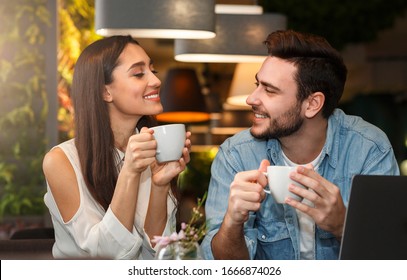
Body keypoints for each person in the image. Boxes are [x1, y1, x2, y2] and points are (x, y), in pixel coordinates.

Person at [201, 30, 400, 260]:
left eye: (269, 90)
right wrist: (232, 222)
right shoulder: (236, 155)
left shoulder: (369, 149)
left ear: (312, 104)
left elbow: (389, 260)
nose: (251, 99)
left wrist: (342, 226)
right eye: (257, 85)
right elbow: (225, 270)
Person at [42, 35, 191, 259]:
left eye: (153, 70)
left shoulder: (155, 149)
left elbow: (158, 253)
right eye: (139, 73)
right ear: (105, 92)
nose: (156, 80)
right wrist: (130, 171)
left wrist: (160, 186)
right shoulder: (61, 161)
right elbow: (106, 256)